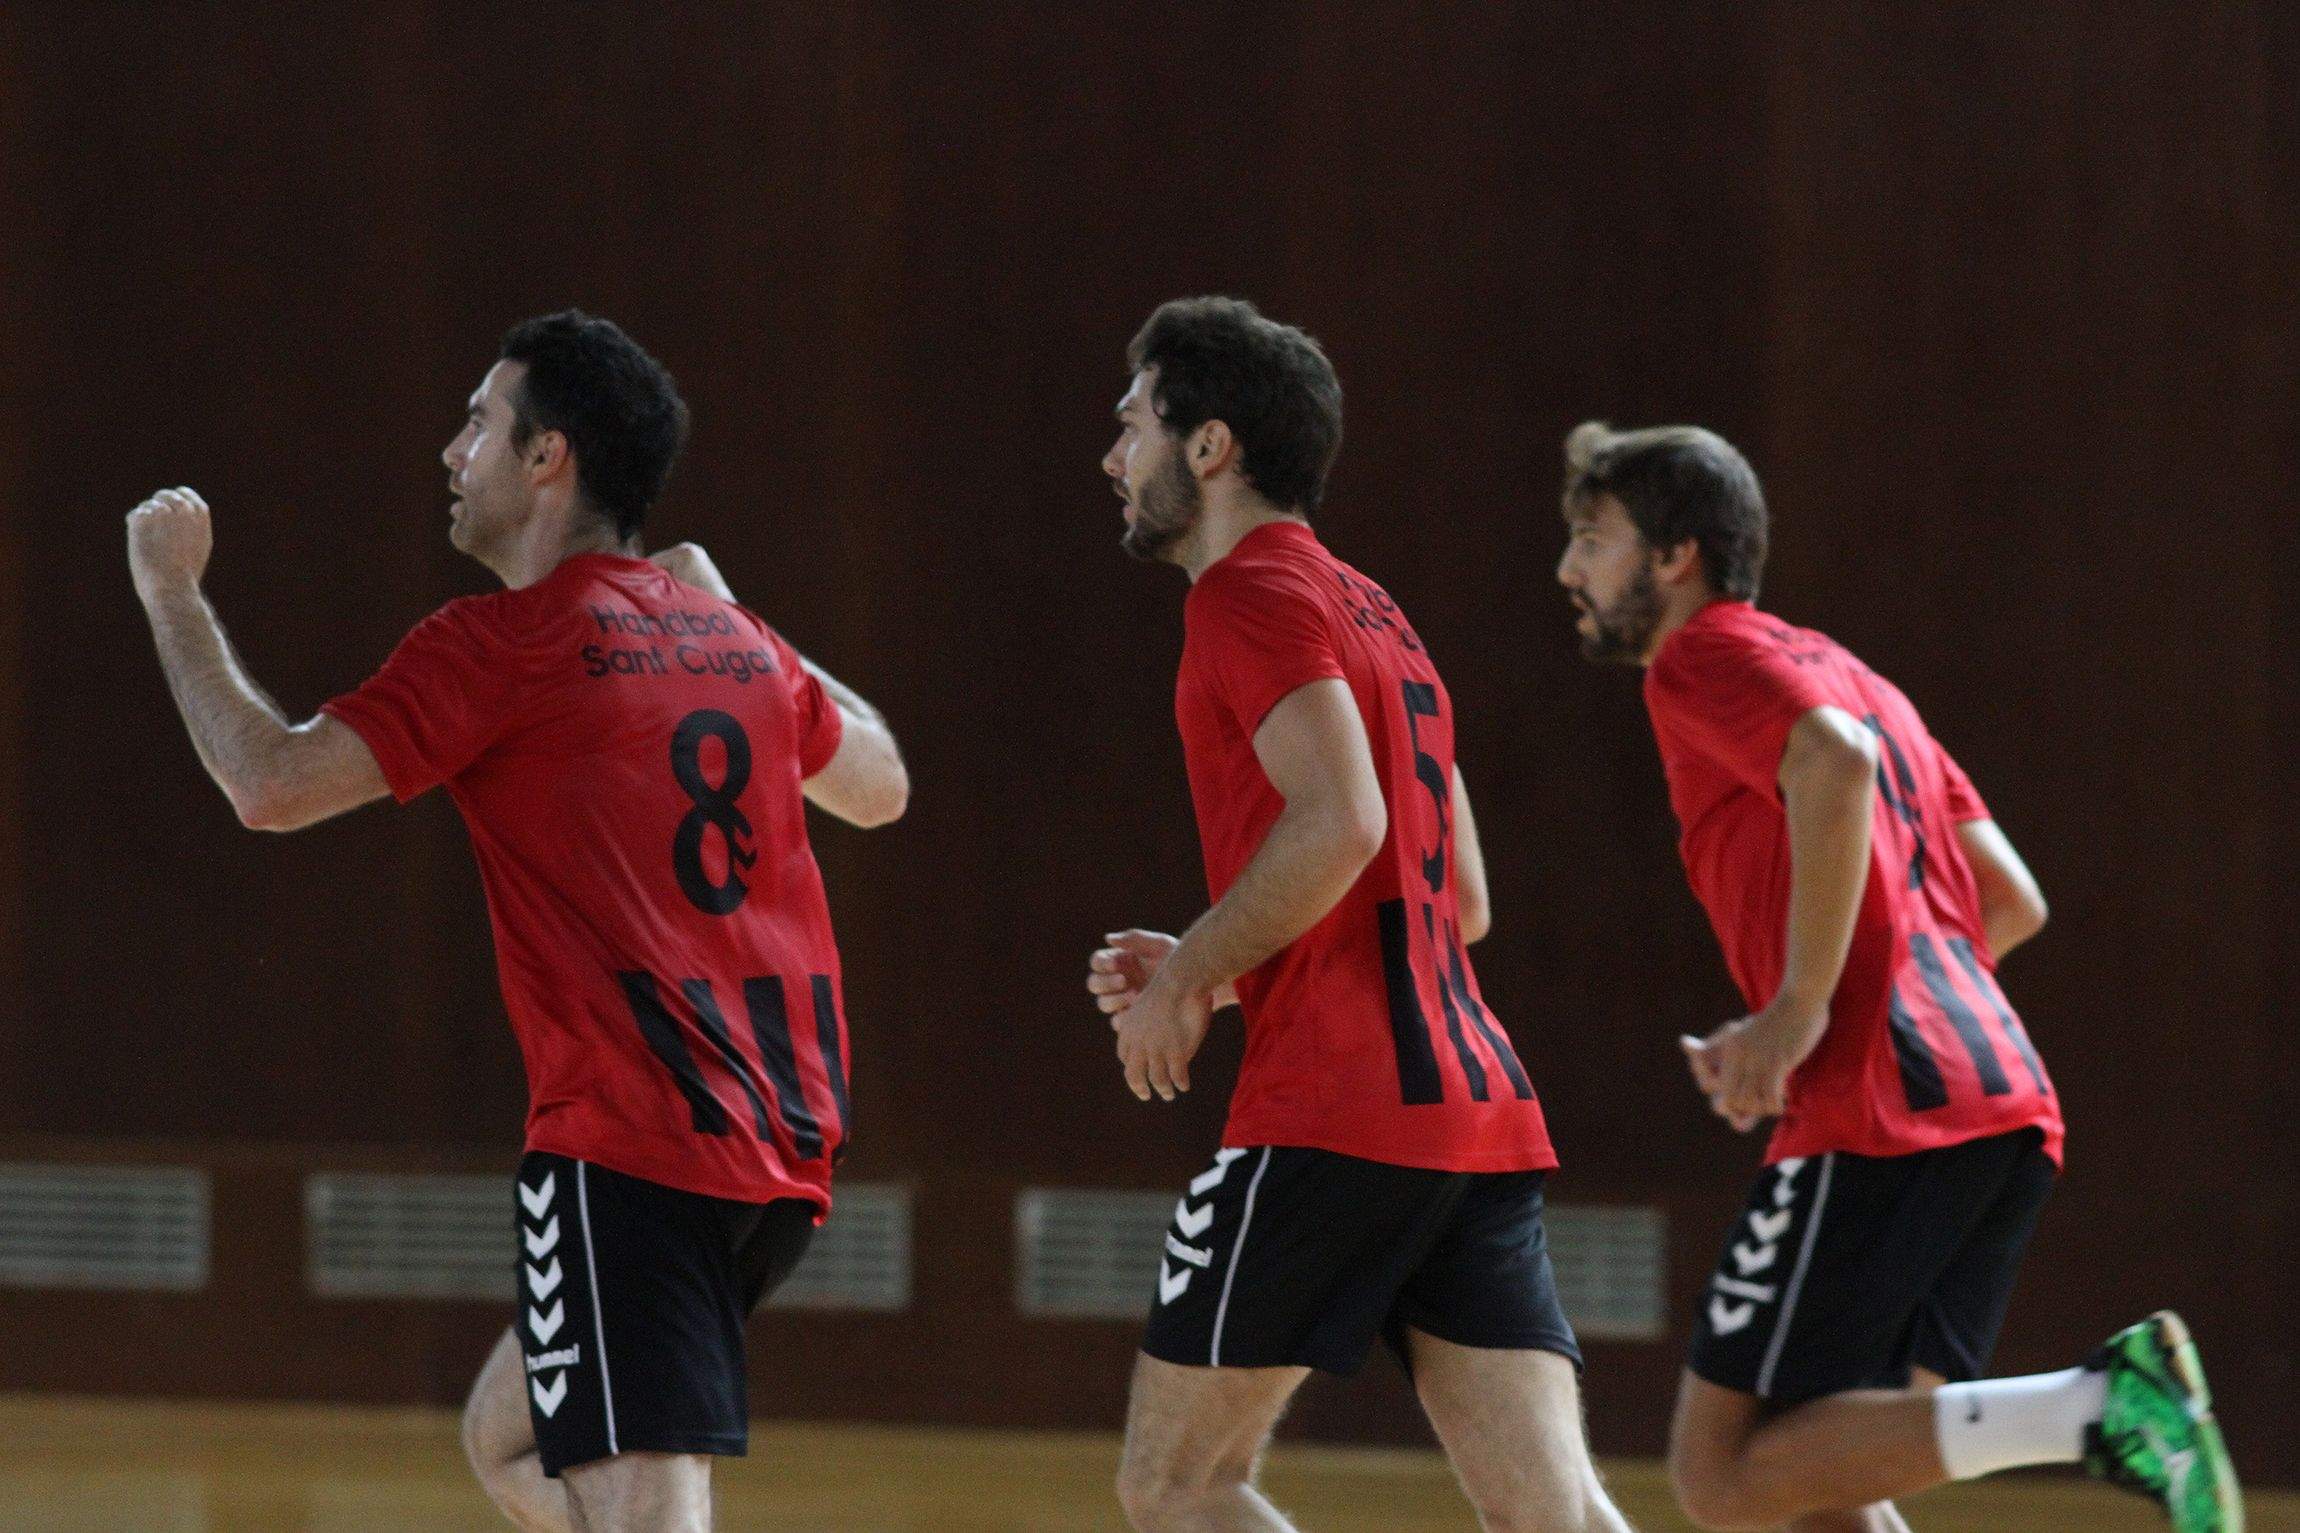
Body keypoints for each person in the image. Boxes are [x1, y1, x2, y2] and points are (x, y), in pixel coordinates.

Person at [124, 311, 907, 1533]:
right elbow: (882, 782)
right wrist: (740, 615)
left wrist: (171, 594)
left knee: (645, 1506)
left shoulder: (504, 644)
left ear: (549, 459)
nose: (453, 452)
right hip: (780, 1159)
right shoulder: (730, 642)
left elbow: (266, 781)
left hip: (635, 1149)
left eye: (480, 424)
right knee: (507, 1441)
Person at [1552, 421, 2241, 1533]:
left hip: (1879, 1116)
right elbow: (2008, 899)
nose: (1569, 571)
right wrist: (1850, 994)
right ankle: (2086, 1409)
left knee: (1718, 1475)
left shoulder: (1702, 656)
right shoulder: (1854, 674)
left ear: (1674, 555)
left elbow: (1837, 765)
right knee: (1822, 1477)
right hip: (1999, 1099)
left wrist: (1797, 1013)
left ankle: (2097, 1408)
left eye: (1593, 540)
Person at [1085, 296, 1636, 1533]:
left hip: (1338, 1109)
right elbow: (1460, 900)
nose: (1113, 459)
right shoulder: (1375, 611)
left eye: (1132, 427)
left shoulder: (1243, 597)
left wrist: (1184, 985)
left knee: (1174, 1482)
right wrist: (1220, 960)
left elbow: (1340, 827)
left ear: (1210, 447)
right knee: (1553, 1516)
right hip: (1474, 1108)